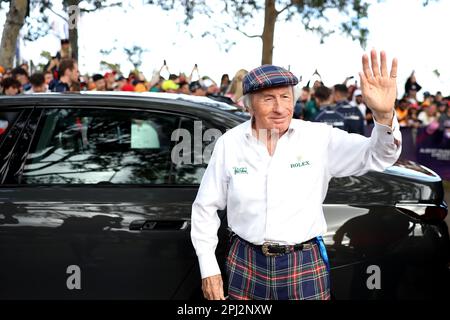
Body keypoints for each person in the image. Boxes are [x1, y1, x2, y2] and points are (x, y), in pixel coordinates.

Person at [191, 50, 402, 300]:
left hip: (303, 262)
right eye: (268, 99)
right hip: (244, 261)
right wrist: (208, 269)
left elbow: (379, 155)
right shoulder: (229, 143)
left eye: (285, 97)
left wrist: (384, 115)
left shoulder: (319, 138)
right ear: (248, 106)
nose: (280, 108)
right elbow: (205, 207)